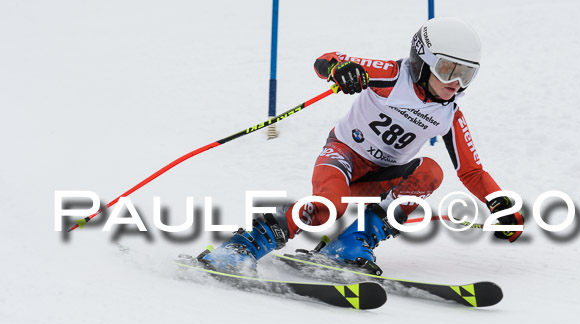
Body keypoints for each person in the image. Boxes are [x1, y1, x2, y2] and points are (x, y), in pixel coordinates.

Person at [199, 17, 524, 272]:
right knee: (330, 206)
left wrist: (500, 205)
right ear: (423, 60)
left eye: (467, 75)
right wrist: (341, 70)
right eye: (447, 70)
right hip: (341, 158)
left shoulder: (449, 115)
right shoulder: (392, 76)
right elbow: (326, 60)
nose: (456, 84)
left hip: (380, 178)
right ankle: (245, 245)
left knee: (431, 172)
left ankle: (352, 243)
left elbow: (472, 171)